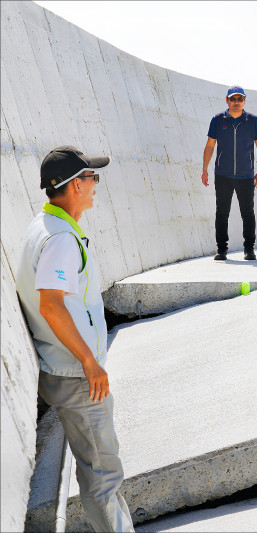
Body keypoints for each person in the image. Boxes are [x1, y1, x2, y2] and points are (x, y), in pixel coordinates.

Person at [16, 146, 134, 532]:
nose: (95, 185)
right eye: (91, 178)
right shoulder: (61, 240)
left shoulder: (45, 225)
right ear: (72, 186)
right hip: (76, 375)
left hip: (66, 369)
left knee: (101, 469)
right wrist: (89, 361)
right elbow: (52, 306)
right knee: (104, 474)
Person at [202, 86, 257, 261]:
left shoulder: (252, 120)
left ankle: (249, 249)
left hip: (246, 175)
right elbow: (210, 145)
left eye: (240, 99)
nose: (236, 102)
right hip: (223, 174)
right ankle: (222, 249)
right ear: (227, 100)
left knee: (248, 212)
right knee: (222, 212)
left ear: (244, 101)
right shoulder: (217, 120)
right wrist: (204, 169)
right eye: (233, 99)